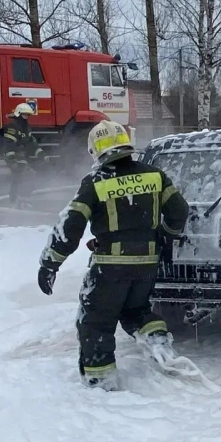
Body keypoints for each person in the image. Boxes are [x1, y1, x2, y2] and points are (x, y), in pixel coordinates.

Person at [36, 120, 189, 390]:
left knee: (96, 320)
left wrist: (50, 263)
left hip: (109, 267)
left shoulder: (95, 182)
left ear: (96, 150)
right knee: (135, 310)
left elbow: (70, 225)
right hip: (146, 264)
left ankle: (100, 380)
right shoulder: (154, 175)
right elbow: (179, 210)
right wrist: (165, 235)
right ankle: (158, 342)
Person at [3, 101, 44, 207]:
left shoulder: (26, 127)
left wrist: (42, 155)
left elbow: (32, 143)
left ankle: (23, 200)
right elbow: (9, 145)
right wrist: (12, 160)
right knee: (20, 177)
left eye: (27, 115)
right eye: (24, 115)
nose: (26, 117)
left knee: (27, 176)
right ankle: (15, 201)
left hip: (22, 157)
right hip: (14, 157)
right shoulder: (13, 126)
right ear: (18, 114)